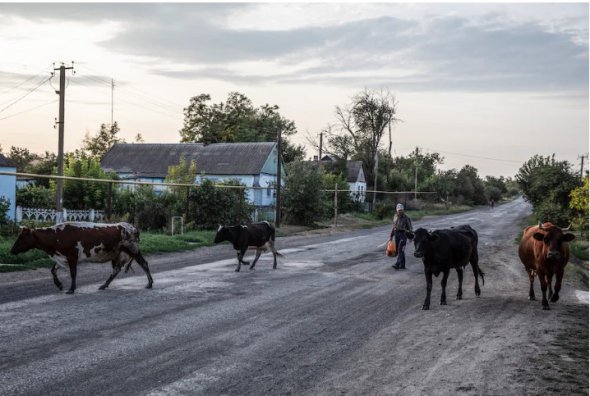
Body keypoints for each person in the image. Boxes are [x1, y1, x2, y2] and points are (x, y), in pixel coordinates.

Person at [389, 203, 413, 270]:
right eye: (399, 210)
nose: (400, 211)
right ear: (397, 210)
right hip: (397, 234)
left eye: (401, 210)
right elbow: (394, 226)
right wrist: (391, 235)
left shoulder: (406, 218)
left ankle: (397, 264)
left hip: (403, 234)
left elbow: (410, 228)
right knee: (399, 250)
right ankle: (403, 265)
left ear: (403, 210)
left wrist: (410, 237)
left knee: (400, 249)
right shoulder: (395, 216)